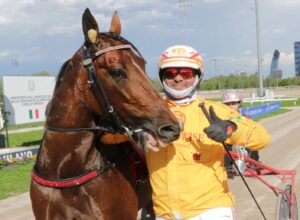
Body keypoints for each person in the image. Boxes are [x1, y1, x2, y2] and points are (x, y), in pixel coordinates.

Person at [144, 45, 270, 220]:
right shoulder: (147, 114)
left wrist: (230, 128)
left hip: (210, 211)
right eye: (170, 73)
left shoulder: (215, 110)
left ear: (197, 76)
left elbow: (262, 138)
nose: (178, 78)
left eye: (186, 74)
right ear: (162, 77)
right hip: (164, 214)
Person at [222, 90, 260, 177]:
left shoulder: (245, 118)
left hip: (243, 147)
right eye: (227, 104)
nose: (231, 106)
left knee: (254, 140)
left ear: (239, 104)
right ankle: (228, 166)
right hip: (227, 148)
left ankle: (253, 163)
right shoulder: (221, 119)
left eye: (233, 103)